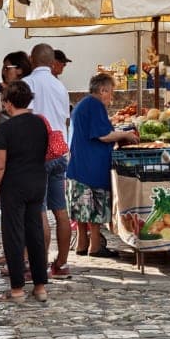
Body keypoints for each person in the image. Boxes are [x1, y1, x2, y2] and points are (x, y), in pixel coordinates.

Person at [0, 80, 51, 303]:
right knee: (34, 234)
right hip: (37, 182)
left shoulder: (6, 128)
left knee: (14, 235)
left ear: (7, 103)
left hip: (14, 186)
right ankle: (40, 286)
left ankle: (17, 290)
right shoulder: (40, 124)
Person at [67, 73, 140, 257]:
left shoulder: (83, 104)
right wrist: (126, 135)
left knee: (82, 210)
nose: (112, 97)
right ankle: (95, 246)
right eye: (111, 92)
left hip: (78, 166)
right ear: (103, 90)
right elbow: (103, 135)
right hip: (91, 167)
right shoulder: (95, 105)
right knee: (94, 210)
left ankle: (82, 244)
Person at [24, 43, 73, 278]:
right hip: (59, 151)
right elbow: (64, 120)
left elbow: (27, 119)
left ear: (32, 59)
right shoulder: (59, 86)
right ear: (52, 62)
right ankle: (61, 263)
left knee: (39, 212)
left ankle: (39, 266)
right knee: (60, 210)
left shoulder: (28, 84)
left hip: (38, 153)